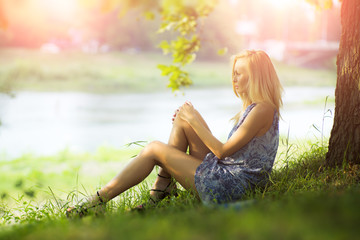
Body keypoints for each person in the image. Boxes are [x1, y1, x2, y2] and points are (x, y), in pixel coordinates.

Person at [66, 49, 283, 217]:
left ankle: (97, 201)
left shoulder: (262, 109)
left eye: (239, 74)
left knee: (154, 148)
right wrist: (189, 119)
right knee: (183, 116)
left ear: (255, 77)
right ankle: (163, 188)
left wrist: (195, 121)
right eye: (233, 74)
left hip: (231, 187)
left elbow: (223, 151)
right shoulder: (255, 107)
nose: (233, 79)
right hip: (228, 176)